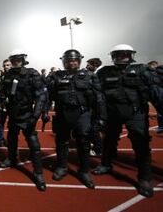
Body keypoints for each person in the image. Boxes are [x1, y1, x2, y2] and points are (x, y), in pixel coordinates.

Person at [92, 44, 158, 197]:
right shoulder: (104, 72)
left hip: (136, 113)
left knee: (141, 144)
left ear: (131, 55)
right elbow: (97, 94)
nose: (123, 57)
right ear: (113, 56)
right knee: (108, 141)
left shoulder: (142, 70)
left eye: (125, 54)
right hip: (112, 113)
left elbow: (154, 90)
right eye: (119, 54)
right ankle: (106, 165)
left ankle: (145, 178)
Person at [47, 50, 107, 189]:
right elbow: (48, 96)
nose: (71, 62)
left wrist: (101, 116)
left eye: (74, 60)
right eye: (68, 60)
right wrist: (44, 111)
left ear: (79, 61)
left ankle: (84, 171)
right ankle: (62, 167)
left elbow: (99, 98)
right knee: (61, 141)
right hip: (62, 113)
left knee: (83, 141)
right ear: (64, 61)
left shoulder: (90, 76)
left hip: (82, 113)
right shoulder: (56, 76)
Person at [0, 49, 47, 191]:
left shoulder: (32, 73)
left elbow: (41, 96)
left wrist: (35, 116)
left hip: (27, 114)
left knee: (34, 144)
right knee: (11, 138)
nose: (15, 62)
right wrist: (1, 102)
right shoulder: (9, 74)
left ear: (23, 59)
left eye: (18, 59)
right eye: (13, 59)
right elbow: (3, 92)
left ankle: (38, 173)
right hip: (13, 113)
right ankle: (12, 159)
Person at [86, 57, 104, 156]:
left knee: (94, 128)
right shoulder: (99, 73)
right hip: (98, 105)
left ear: (94, 65)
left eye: (88, 64)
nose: (86, 66)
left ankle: (99, 149)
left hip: (99, 106)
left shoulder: (99, 73)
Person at [0, 59, 11, 146]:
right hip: (2, 103)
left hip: (12, 104)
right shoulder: (2, 76)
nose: (6, 67)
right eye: (4, 65)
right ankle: (0, 139)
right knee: (0, 123)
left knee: (12, 125)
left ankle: (10, 140)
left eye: (7, 65)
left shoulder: (17, 76)